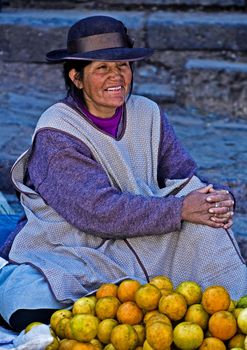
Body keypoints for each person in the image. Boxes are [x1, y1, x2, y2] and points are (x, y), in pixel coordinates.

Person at [0, 15, 246, 332]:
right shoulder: (57, 133)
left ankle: (229, 314)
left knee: (208, 233)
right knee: (34, 302)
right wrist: (182, 208)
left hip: (140, 231)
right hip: (75, 243)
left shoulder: (147, 112)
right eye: (102, 68)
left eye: (123, 66)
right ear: (76, 77)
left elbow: (182, 176)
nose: (117, 76)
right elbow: (97, 212)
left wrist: (216, 200)